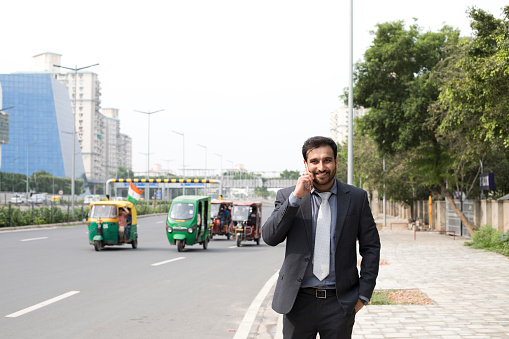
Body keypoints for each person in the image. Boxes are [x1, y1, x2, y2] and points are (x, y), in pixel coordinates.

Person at [262, 136, 381, 339]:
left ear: (336, 161)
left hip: (340, 304)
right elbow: (270, 237)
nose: (321, 166)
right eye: (314, 161)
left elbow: (371, 247)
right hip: (297, 302)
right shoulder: (288, 196)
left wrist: (363, 295)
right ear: (306, 164)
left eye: (327, 160)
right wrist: (295, 199)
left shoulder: (356, 197)